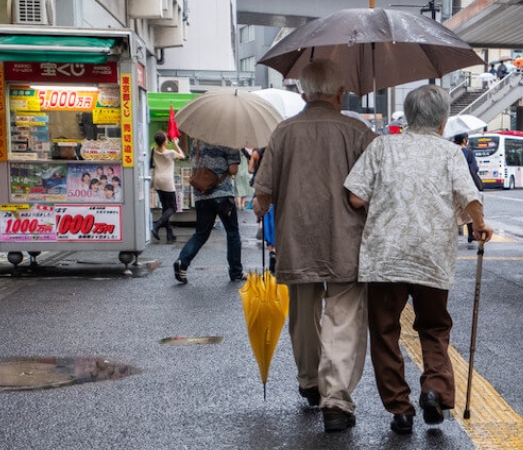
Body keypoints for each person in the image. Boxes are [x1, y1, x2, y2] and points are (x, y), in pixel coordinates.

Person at [343, 85, 494, 435]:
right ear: (443, 122)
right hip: (432, 254)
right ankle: (435, 391)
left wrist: (385, 206)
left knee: (384, 332)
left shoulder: (382, 146)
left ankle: (401, 409)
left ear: (408, 118)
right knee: (434, 326)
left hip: (385, 255)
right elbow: (469, 196)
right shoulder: (450, 153)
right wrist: (480, 224)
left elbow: (353, 198)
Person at [252, 59, 378, 432]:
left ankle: (309, 381)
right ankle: (336, 400)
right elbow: (375, 188)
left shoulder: (283, 132)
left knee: (303, 314)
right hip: (347, 240)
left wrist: (263, 207)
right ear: (341, 93)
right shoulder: (358, 132)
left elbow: (263, 193)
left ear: (304, 93)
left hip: (296, 238)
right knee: (344, 318)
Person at [173, 140, 243, 284]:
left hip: (202, 195)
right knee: (232, 233)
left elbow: (195, 164)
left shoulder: (197, 142)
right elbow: (233, 170)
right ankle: (236, 272)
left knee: (201, 234)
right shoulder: (228, 140)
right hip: (222, 195)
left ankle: (182, 261)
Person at [151, 131, 186, 243]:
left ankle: (170, 235)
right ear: (165, 141)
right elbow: (183, 156)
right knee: (173, 207)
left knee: (166, 208)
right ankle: (156, 225)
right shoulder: (170, 152)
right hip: (167, 181)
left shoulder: (154, 151)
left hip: (157, 180)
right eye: (166, 139)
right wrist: (176, 144)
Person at [454, 133, 484, 243]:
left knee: (454, 210)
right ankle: (471, 234)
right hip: (466, 184)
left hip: (452, 185)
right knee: (469, 208)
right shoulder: (468, 152)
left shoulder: (450, 151)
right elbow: (474, 168)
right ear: (464, 140)